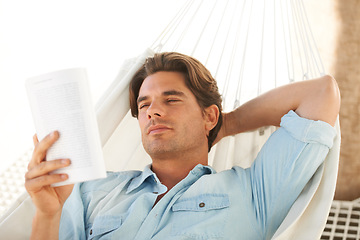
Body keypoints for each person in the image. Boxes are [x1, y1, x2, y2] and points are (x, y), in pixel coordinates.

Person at [25, 52, 340, 239]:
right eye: (144, 105)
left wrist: (226, 125)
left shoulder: (253, 193)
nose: (153, 112)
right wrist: (47, 214)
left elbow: (321, 93)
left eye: (171, 99)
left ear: (209, 115)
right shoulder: (91, 190)